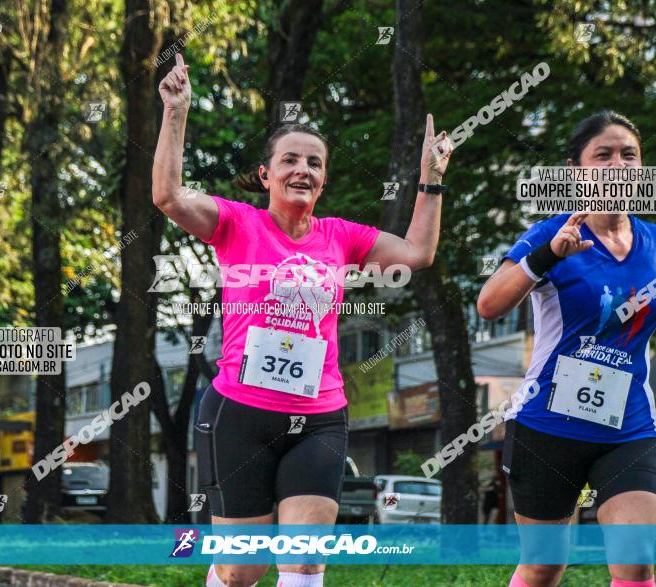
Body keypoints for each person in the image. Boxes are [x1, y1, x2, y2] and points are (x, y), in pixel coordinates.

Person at [153, 53, 453, 587]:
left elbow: (416, 253)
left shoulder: (342, 236)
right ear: (267, 174)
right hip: (240, 416)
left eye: (314, 163)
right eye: (291, 160)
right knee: (243, 570)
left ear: (324, 179)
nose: (303, 170)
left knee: (305, 561)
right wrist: (176, 112)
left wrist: (430, 181)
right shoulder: (237, 223)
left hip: (319, 418)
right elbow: (169, 196)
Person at [477, 110, 656, 587]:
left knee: (635, 563)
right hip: (546, 424)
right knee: (544, 568)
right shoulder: (548, 234)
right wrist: (549, 254)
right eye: (604, 155)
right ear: (577, 171)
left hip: (628, 426)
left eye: (629, 155)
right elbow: (489, 304)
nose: (618, 164)